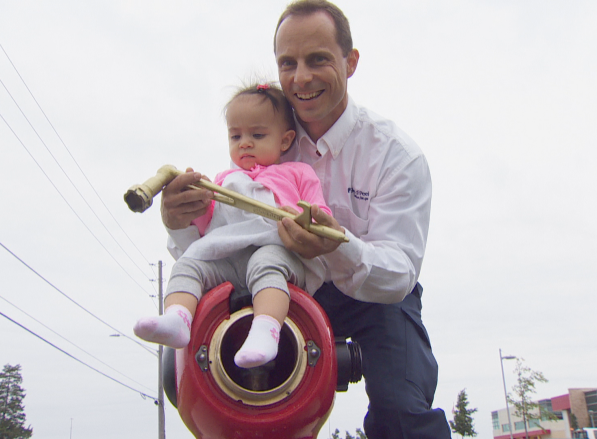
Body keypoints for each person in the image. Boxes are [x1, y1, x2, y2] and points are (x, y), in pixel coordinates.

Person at [161, 1, 452, 437]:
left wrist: (337, 247)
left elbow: (399, 275)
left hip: (375, 300)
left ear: (350, 62)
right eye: (288, 63)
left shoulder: (396, 155)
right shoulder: (264, 134)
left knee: (401, 413)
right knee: (224, 388)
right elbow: (219, 242)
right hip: (277, 281)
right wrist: (178, 219)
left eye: (318, 59)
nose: (301, 78)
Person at [134, 83, 331, 369]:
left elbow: (318, 211)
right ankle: (178, 318)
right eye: (235, 135)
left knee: (266, 265)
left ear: (285, 141)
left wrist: (306, 218)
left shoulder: (297, 173)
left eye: (257, 134)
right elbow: (209, 226)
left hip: (275, 250)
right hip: (227, 256)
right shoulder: (224, 180)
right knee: (189, 265)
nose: (245, 142)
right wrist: (196, 206)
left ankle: (266, 330)